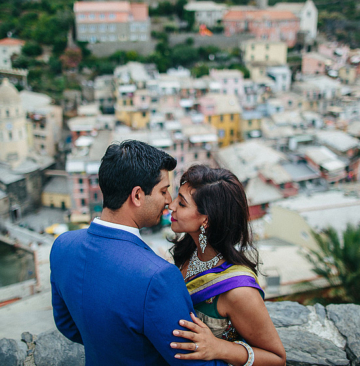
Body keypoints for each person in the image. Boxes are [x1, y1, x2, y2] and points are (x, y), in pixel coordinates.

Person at [50, 141, 226, 366]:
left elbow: (67, 325)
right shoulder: (158, 277)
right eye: (163, 191)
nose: (168, 201)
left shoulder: (63, 245)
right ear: (137, 196)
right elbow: (191, 362)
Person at [168, 165, 286, 366]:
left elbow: (277, 359)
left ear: (206, 219)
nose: (171, 206)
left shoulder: (239, 290)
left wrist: (218, 347)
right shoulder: (190, 251)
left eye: (182, 203)